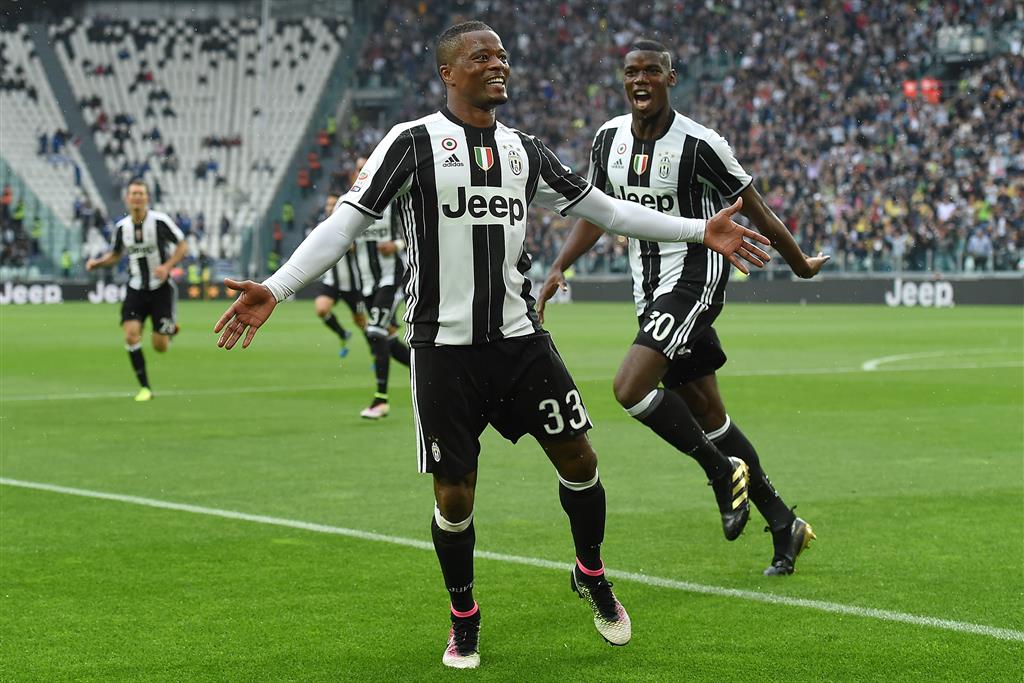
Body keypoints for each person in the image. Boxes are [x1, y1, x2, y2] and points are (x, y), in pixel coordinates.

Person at [215, 22, 770, 668]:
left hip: (519, 342)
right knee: (454, 495)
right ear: (449, 73)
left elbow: (609, 211)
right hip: (443, 350)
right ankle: (464, 616)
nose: (498, 64)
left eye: (503, 55)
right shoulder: (411, 142)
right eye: (482, 57)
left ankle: (591, 572)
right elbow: (342, 227)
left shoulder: (523, 150)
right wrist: (277, 288)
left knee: (581, 460)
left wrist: (699, 230)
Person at [538, 39, 828, 576]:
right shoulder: (607, 139)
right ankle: (783, 522)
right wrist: (559, 265)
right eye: (632, 72)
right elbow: (598, 212)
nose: (640, 80)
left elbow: (758, 211)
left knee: (629, 388)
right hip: (649, 289)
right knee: (708, 414)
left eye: (652, 71)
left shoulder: (701, 144)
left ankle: (720, 473)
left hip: (696, 277)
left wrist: (800, 265)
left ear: (671, 79)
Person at [87, 178, 187, 401]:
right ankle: (145, 388)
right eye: (134, 193)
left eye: (141, 193)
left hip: (161, 289)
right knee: (131, 335)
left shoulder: (160, 221)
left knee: (160, 347)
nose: (137, 197)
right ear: (127, 198)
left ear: (147, 197)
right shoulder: (122, 228)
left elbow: (183, 245)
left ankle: (169, 330)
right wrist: (97, 263)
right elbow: (115, 255)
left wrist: (167, 266)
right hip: (136, 289)